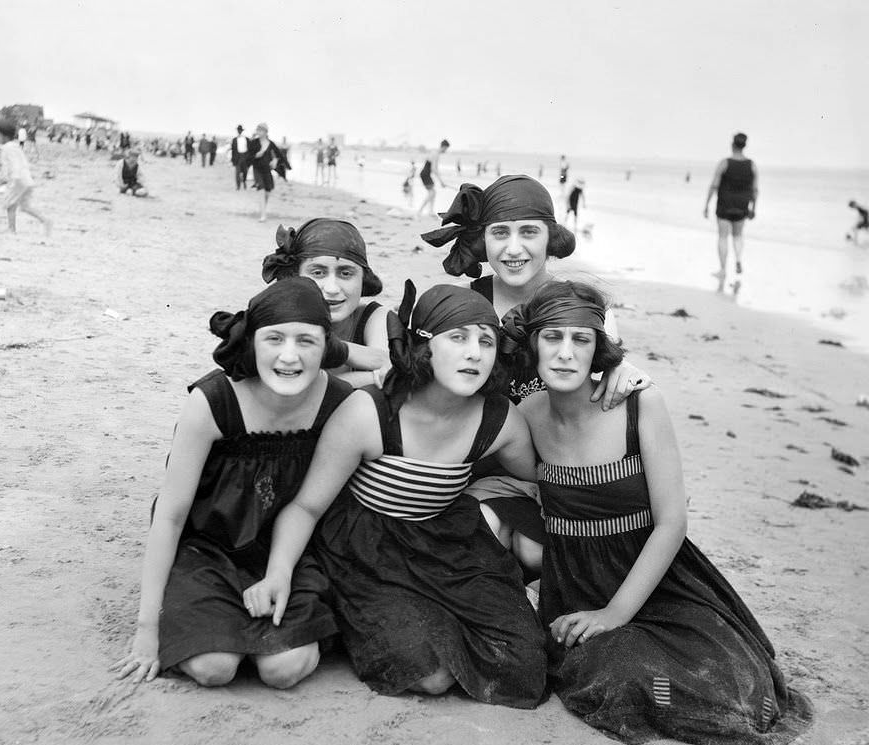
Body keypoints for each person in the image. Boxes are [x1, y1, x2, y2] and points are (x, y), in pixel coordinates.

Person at [501, 279, 813, 744]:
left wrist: (615, 612)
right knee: (621, 672)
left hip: (659, 578)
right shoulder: (525, 414)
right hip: (577, 582)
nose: (565, 352)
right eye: (552, 337)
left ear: (598, 348)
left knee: (734, 678)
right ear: (532, 343)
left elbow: (672, 521)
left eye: (580, 339)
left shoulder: (639, 404)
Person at [244, 281, 548, 709]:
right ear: (424, 346)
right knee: (428, 673)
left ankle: (430, 619)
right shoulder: (371, 411)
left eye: (486, 340)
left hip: (447, 546)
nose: (474, 353)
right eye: (457, 338)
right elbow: (307, 506)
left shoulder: (500, 422)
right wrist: (278, 572)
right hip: (366, 548)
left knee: (522, 663)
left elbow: (547, 476)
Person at [110, 278, 353, 689]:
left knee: (283, 670)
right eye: (273, 339)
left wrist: (281, 570)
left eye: (306, 342)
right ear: (252, 341)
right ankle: (217, 629)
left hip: (291, 552)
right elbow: (169, 516)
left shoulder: (340, 403)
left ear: (326, 346)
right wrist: (146, 629)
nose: (289, 356)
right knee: (213, 668)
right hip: (207, 548)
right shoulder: (213, 401)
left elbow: (308, 507)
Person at [422, 175, 650, 574]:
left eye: (529, 232)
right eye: (499, 233)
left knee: (534, 551)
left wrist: (620, 367)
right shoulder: (467, 305)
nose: (514, 249)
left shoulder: (581, 307)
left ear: (551, 237)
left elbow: (603, 389)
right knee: (486, 532)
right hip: (487, 466)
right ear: (481, 240)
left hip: (564, 470)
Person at [262, 218, 389, 388]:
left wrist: (314, 345)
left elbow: (388, 362)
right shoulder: (275, 319)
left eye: (345, 273)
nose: (332, 288)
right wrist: (372, 377)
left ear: (362, 279)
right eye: (318, 272)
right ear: (295, 276)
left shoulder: (374, 317)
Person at [704, 132, 758, 277]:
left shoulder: (725, 163)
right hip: (742, 205)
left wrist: (706, 205)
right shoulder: (751, 165)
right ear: (744, 146)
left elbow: (714, 185)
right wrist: (754, 208)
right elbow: (755, 189)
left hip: (724, 204)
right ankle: (738, 259)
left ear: (732, 145)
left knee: (723, 237)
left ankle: (722, 270)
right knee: (738, 236)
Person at [0, 119, 52, 236]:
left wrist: (13, 180)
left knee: (10, 204)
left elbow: (14, 165)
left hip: (18, 180)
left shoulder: (7, 148)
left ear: (3, 136)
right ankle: (45, 220)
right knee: (25, 207)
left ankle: (11, 229)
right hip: (26, 180)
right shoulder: (15, 146)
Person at [249, 123, 285, 222]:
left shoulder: (271, 143)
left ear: (265, 132)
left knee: (268, 192)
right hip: (257, 169)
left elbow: (278, 155)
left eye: (260, 130)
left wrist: (275, 161)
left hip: (267, 170)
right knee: (261, 189)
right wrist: (256, 155)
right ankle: (263, 215)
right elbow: (249, 156)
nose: (258, 132)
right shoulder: (254, 143)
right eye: (257, 130)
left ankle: (262, 208)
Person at [417, 139, 449, 218]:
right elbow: (434, 169)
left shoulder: (434, 152)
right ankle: (420, 211)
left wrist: (441, 181)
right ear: (444, 147)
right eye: (446, 149)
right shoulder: (436, 153)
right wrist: (441, 182)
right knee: (432, 193)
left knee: (433, 193)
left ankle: (430, 211)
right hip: (425, 174)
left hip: (426, 174)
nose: (446, 151)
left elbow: (434, 168)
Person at [231, 125, 249, 190]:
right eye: (238, 130)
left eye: (240, 130)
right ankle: (238, 186)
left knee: (245, 171)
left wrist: (248, 158)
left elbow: (249, 149)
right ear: (237, 131)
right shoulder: (234, 140)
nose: (239, 131)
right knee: (237, 172)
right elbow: (233, 150)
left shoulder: (246, 139)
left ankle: (244, 181)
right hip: (237, 157)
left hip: (245, 157)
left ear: (242, 131)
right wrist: (233, 160)